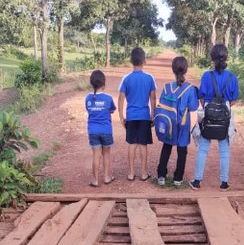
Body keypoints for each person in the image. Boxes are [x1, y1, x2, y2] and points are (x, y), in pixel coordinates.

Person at [189, 44, 239, 191]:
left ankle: (197, 181)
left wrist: (207, 109)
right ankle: (224, 183)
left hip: (208, 113)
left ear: (212, 58)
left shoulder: (206, 75)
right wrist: (225, 106)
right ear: (226, 57)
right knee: (224, 149)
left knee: (203, 148)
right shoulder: (232, 77)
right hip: (225, 114)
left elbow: (202, 98)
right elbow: (235, 99)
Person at [156, 56, 199, 187]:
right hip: (182, 125)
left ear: (173, 70)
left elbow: (162, 103)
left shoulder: (167, 87)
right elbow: (193, 107)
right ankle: (178, 179)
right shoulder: (190, 89)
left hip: (168, 124)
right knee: (182, 151)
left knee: (166, 148)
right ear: (186, 70)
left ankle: (161, 175)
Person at [118, 47, 157, 181]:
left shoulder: (126, 78)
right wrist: (153, 115)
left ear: (131, 61)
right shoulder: (149, 78)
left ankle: (130, 173)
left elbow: (121, 98)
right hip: (145, 116)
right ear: (144, 61)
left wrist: (121, 117)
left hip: (131, 116)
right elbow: (153, 98)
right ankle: (144, 173)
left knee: (132, 144)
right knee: (143, 145)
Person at [85, 70, 116, 186]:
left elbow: (89, 110)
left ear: (92, 83)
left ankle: (95, 180)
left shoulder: (88, 98)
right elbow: (112, 109)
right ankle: (107, 177)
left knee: (96, 155)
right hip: (106, 131)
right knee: (106, 154)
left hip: (93, 131)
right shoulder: (108, 98)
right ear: (104, 83)